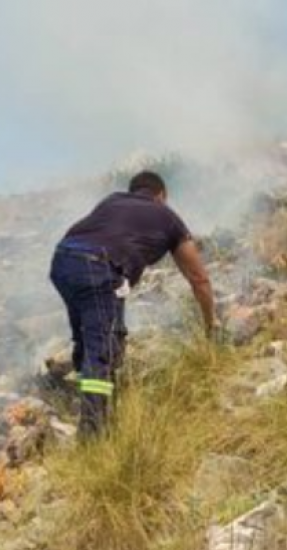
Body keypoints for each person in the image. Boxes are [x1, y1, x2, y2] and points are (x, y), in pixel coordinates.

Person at [50, 170, 217, 437]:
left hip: (62, 261)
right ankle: (93, 436)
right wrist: (211, 326)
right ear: (161, 196)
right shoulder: (167, 216)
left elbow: (108, 240)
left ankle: (88, 408)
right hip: (97, 267)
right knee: (103, 349)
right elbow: (199, 279)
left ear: (133, 191)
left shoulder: (112, 201)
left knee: (86, 340)